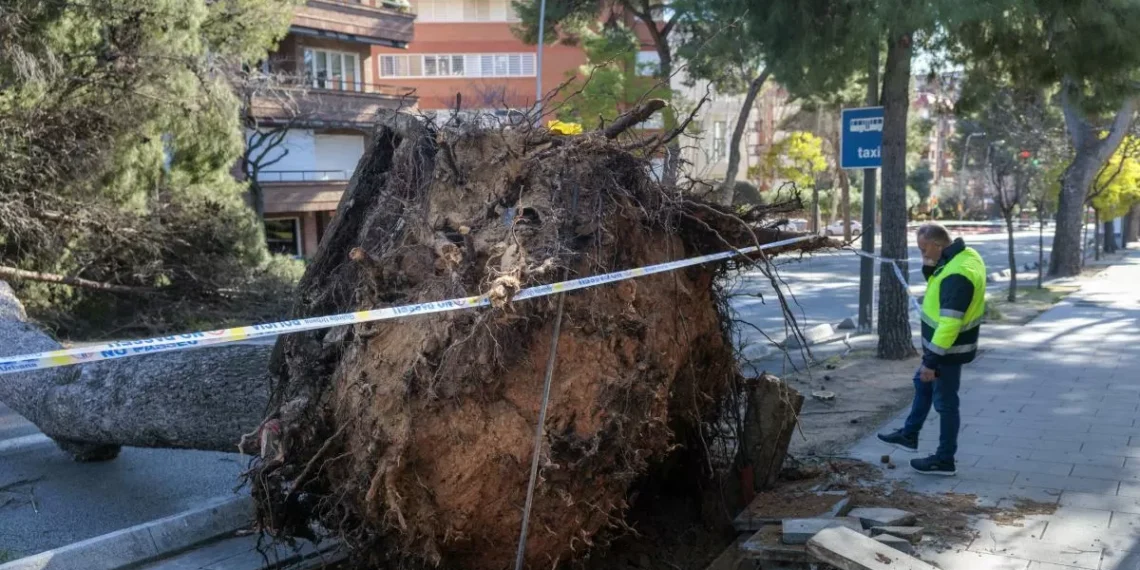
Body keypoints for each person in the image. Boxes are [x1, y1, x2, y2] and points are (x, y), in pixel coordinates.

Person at [877, 223, 986, 476]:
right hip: (943, 348)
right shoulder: (964, 256)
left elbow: (949, 323)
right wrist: (929, 263)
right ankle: (909, 434)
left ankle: (944, 459)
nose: (921, 254)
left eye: (924, 249)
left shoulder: (957, 275)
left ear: (939, 245)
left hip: (947, 350)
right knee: (921, 384)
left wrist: (931, 362)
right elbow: (938, 283)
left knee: (946, 403)